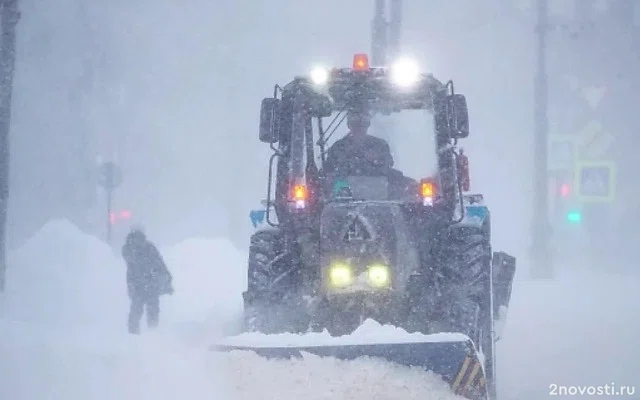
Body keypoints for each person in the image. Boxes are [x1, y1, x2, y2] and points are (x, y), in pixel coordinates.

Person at [121, 228, 173, 334]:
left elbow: (159, 265)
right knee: (149, 310)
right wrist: (167, 280)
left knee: (137, 311)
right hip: (148, 284)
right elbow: (160, 264)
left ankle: (135, 335)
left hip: (139, 285)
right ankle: (151, 334)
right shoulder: (146, 248)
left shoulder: (130, 250)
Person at [323, 110, 394, 177]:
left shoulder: (380, 145)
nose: (359, 128)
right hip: (344, 188)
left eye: (363, 124)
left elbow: (389, 163)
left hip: (377, 187)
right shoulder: (338, 147)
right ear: (349, 125)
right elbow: (328, 169)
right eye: (355, 124)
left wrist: (377, 160)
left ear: (368, 125)